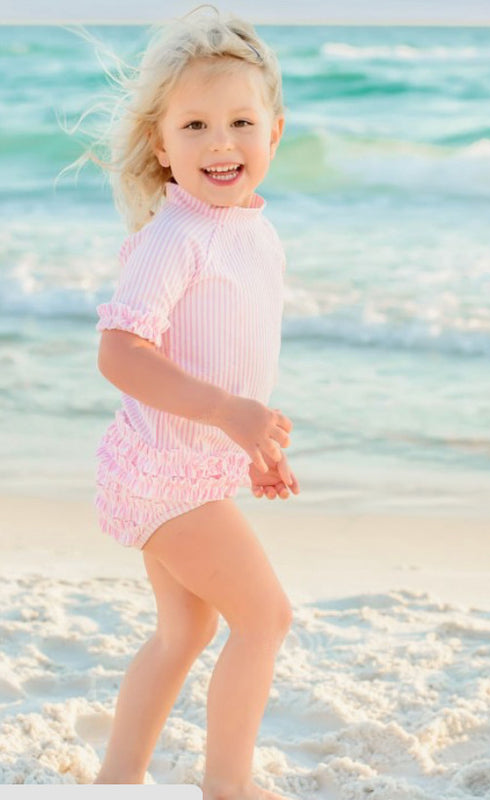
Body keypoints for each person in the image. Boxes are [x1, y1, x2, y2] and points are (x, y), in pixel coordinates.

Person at [86, 4, 300, 799]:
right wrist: (222, 414)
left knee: (186, 629)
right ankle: (229, 787)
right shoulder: (177, 236)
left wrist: (253, 441)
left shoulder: (253, 231)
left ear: (274, 133)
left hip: (186, 465)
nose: (220, 143)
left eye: (241, 121)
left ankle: (117, 778)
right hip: (162, 470)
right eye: (196, 125)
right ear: (161, 145)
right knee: (265, 619)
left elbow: (231, 360)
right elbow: (120, 351)